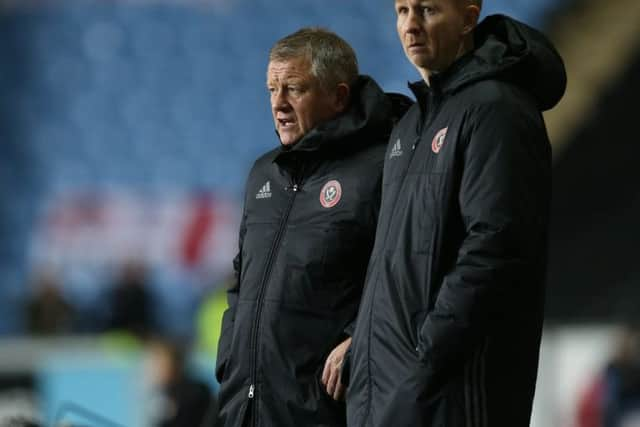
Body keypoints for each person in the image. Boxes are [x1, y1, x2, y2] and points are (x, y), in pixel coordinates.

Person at [346, 1, 566, 426]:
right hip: (392, 393)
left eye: (427, 10)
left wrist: (425, 355)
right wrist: (361, 341)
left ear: (468, 18)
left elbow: (496, 247)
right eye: (402, 10)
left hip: (449, 396)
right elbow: (394, 258)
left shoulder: (497, 109)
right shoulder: (412, 125)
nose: (410, 25)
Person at [215, 28, 411, 427]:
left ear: (338, 96)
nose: (278, 104)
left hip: (325, 410)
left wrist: (362, 340)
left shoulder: (383, 168)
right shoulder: (262, 174)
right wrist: (231, 358)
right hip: (247, 409)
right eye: (272, 89)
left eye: (294, 89)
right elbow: (242, 279)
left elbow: (407, 273)